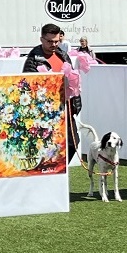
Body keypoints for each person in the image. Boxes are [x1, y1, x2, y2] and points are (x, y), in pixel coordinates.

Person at [24, 23, 81, 161]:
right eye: (50, 41)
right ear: (41, 39)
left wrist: (76, 106)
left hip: (65, 109)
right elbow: (28, 86)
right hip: (45, 113)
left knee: (73, 143)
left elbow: (74, 81)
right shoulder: (33, 59)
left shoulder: (63, 56)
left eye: (56, 41)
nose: (54, 44)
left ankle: (59, 170)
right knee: (47, 147)